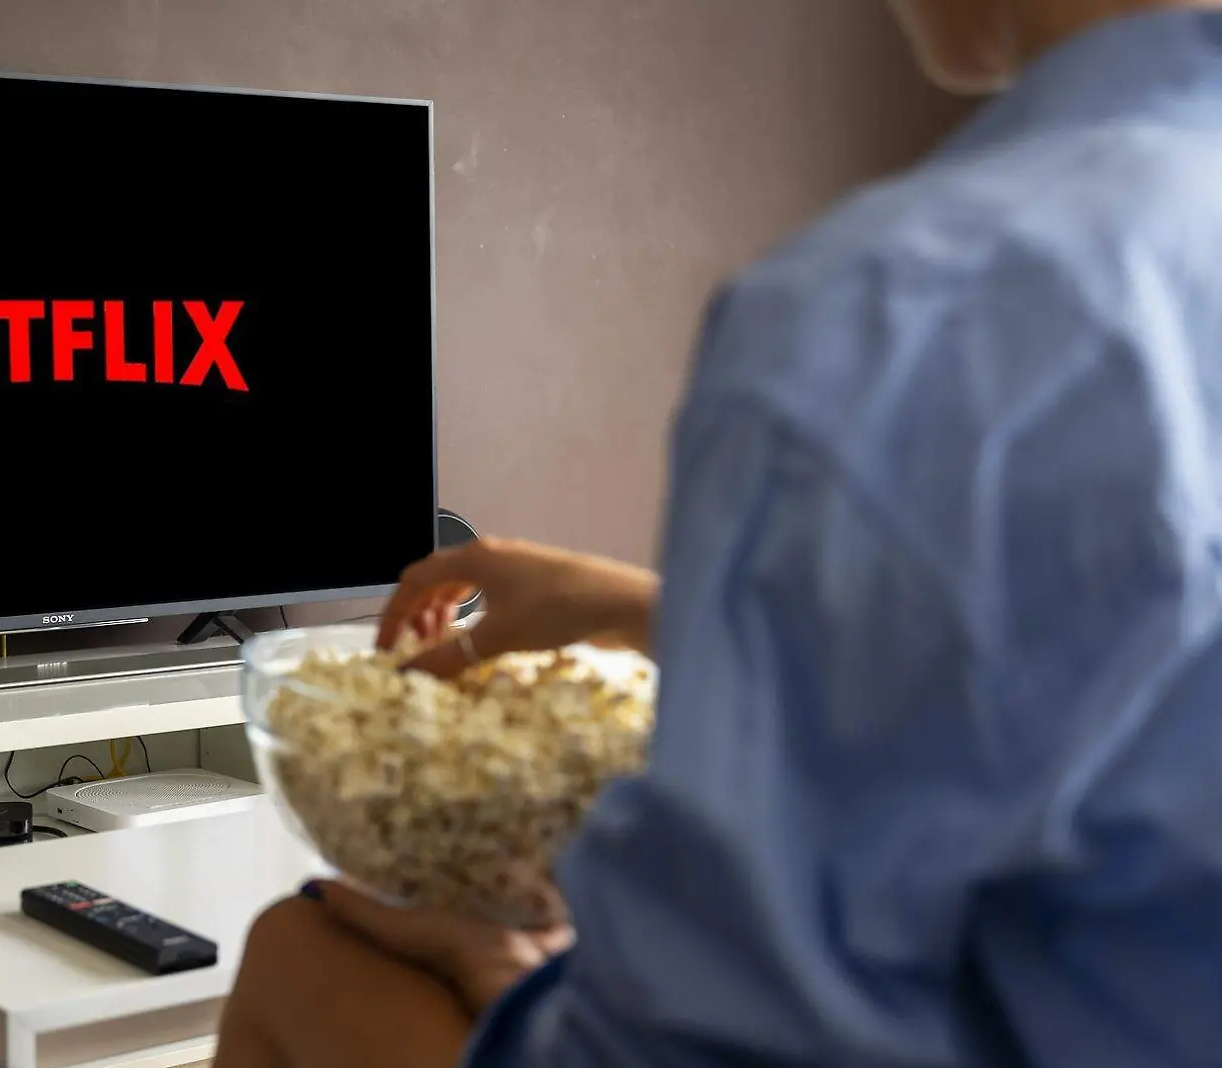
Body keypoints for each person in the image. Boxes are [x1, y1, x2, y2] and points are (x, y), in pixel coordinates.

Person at [214, 1, 1222, 1066]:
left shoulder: (909, 301)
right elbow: (1101, 660)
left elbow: (723, 1036)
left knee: (296, 953)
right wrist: (636, 607)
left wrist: (509, 977)